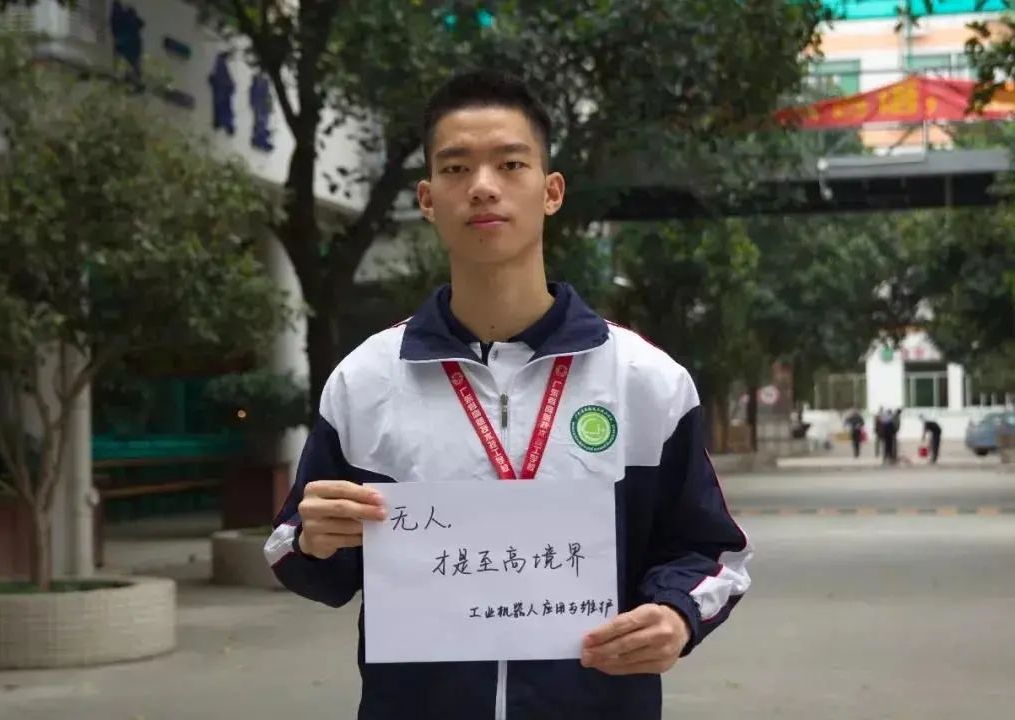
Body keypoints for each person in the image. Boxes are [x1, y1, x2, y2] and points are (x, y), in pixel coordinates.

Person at [263, 70, 752, 720]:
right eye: (456, 168)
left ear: (551, 192)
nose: (483, 186)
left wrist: (675, 614)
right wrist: (314, 541)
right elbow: (299, 554)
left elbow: (709, 551)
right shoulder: (366, 380)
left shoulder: (644, 380)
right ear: (428, 199)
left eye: (510, 163)